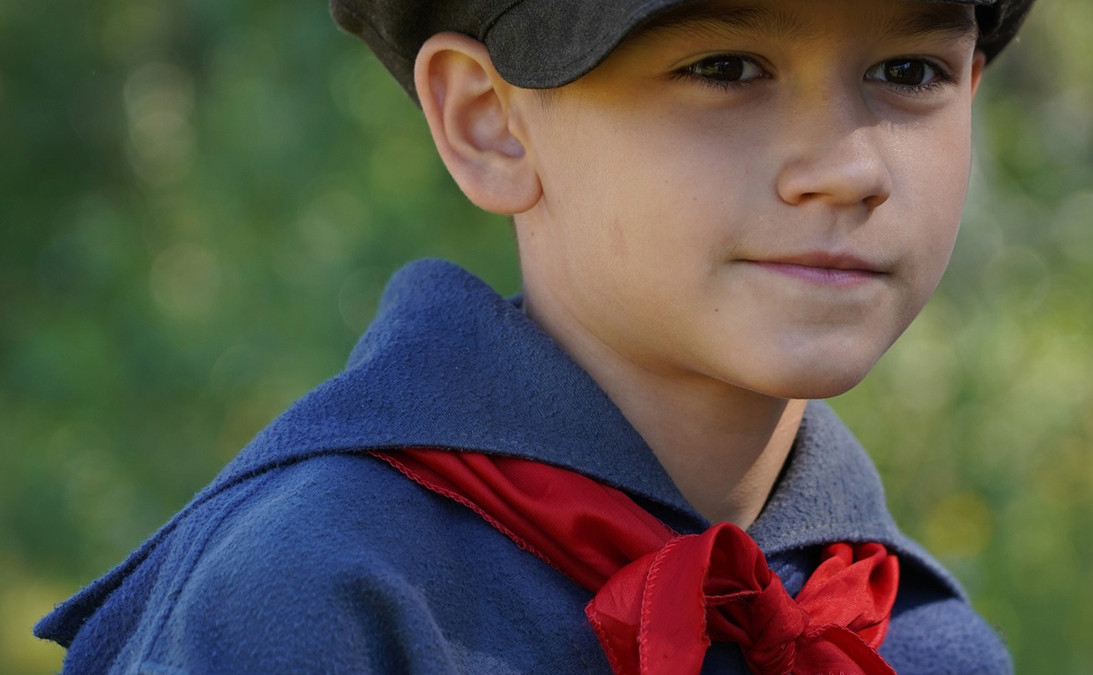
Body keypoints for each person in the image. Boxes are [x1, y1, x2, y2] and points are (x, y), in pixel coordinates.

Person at [35, 0, 1036, 672]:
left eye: (910, 71)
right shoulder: (319, 597)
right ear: (490, 123)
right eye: (726, 67)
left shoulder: (915, 639)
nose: (849, 168)